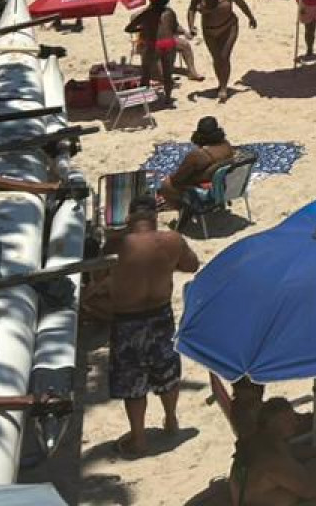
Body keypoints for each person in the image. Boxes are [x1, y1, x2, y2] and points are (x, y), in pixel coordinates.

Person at [110, 199, 199, 457]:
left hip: (128, 320)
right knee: (167, 371)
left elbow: (99, 274)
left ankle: (139, 439)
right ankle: (171, 420)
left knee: (133, 382)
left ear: (129, 217)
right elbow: (191, 265)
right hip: (161, 314)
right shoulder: (172, 240)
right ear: (155, 215)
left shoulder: (119, 244)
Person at [228, 398, 316, 505]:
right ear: (270, 423)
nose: (294, 423)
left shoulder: (261, 441)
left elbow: (294, 451)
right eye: (287, 420)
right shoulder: (270, 457)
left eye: (293, 417)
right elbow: (309, 490)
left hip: (279, 495)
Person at [188, 0, 258, 100]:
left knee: (224, 57)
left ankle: (223, 87)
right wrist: (191, 26)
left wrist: (251, 18)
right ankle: (220, 83)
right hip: (209, 30)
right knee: (216, 58)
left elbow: (241, 4)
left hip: (229, 27)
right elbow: (191, 9)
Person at [156, 116, 236, 207]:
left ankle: (183, 211)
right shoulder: (226, 145)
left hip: (207, 192)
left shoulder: (198, 155)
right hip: (225, 187)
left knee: (167, 184)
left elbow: (177, 179)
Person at [127, 0, 182, 101]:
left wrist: (144, 28)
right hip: (169, 43)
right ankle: (167, 98)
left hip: (154, 44)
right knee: (168, 74)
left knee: (146, 72)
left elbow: (129, 28)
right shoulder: (170, 12)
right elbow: (174, 28)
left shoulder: (147, 13)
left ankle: (143, 98)